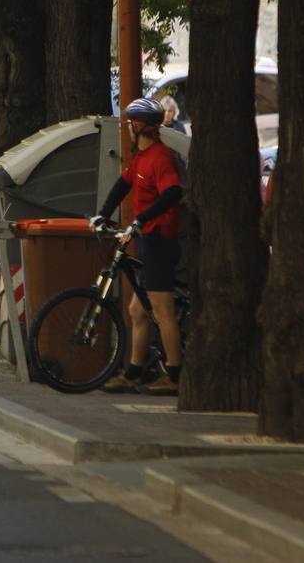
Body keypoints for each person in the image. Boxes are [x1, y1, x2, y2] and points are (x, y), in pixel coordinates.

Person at [93, 97, 185, 396]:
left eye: (130, 123)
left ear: (138, 126)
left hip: (160, 239)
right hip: (147, 239)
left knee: (162, 310)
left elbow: (172, 192)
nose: (128, 128)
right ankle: (133, 372)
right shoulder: (141, 159)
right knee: (138, 311)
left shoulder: (160, 158)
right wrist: (103, 214)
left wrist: (142, 219)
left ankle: (174, 375)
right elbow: (123, 185)